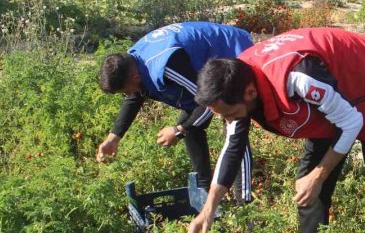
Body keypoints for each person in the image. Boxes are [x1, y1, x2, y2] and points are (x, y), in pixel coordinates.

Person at [187, 27, 365, 233]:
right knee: (309, 194)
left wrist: (318, 175)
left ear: (251, 92)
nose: (230, 121)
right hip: (330, 94)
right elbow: (233, 148)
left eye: (232, 114)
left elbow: (351, 122)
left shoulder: (297, 77)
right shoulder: (236, 82)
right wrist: (208, 210)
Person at [96, 22, 254, 197]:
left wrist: (179, 131)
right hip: (203, 65)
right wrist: (113, 138)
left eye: (126, 90)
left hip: (234, 50)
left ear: (135, 77)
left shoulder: (168, 65)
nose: (128, 94)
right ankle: (203, 192)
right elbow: (135, 95)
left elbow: (209, 102)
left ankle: (244, 203)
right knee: (191, 123)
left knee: (234, 126)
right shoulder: (133, 60)